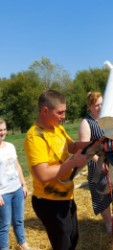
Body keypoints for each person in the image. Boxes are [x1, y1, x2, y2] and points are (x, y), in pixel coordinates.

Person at [24, 90, 89, 250]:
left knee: (73, 238)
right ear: (45, 110)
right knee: (63, 245)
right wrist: (73, 163)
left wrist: (94, 143)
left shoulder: (57, 128)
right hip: (49, 202)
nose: (63, 116)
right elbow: (43, 174)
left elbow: (72, 146)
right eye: (60, 112)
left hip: (65, 196)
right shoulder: (35, 137)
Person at [78, 91, 113, 233]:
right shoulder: (86, 123)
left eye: (102, 104)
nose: (100, 107)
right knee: (100, 192)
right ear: (89, 106)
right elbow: (85, 148)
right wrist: (99, 162)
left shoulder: (107, 118)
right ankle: (108, 223)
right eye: (96, 105)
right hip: (97, 163)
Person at [0, 119, 30, 250]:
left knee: (19, 220)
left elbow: (17, 165)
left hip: (16, 188)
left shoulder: (10, 146)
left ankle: (23, 244)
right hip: (3, 193)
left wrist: (23, 184)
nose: (2, 132)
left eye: (4, 129)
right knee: (5, 225)